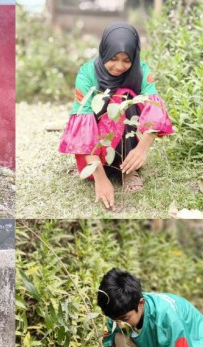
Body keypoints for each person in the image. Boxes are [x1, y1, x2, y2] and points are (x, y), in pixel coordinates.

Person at [58, 23, 173, 210]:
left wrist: (142, 149)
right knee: (114, 100)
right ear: (104, 51)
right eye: (113, 58)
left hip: (129, 150)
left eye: (126, 60)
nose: (119, 66)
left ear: (134, 57)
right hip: (94, 153)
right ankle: (105, 170)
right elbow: (83, 126)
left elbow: (155, 108)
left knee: (126, 96)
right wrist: (100, 178)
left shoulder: (142, 71)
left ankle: (128, 170)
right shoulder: (87, 74)